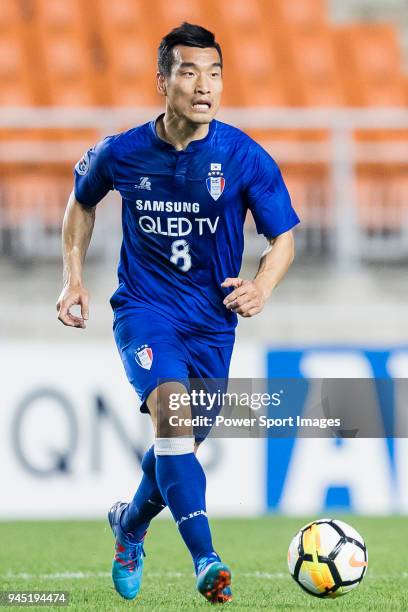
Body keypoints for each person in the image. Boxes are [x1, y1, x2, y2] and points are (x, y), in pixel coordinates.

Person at [57, 22, 299, 604]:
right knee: (172, 414)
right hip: (144, 310)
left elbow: (283, 238)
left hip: (213, 326)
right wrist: (72, 281)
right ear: (162, 80)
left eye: (214, 73)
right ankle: (207, 559)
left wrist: (262, 286)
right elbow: (80, 202)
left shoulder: (242, 156)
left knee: (178, 444)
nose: (204, 85)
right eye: (189, 72)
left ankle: (131, 525)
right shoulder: (122, 151)